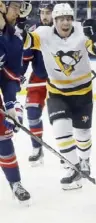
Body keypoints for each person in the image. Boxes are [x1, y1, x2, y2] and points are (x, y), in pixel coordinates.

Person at [23, 3, 96, 190]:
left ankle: (85, 161)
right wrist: (16, 24)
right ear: (54, 20)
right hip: (57, 92)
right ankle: (73, 167)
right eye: (61, 19)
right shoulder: (43, 33)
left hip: (83, 92)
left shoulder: (81, 30)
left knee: (82, 133)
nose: (65, 22)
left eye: (68, 18)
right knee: (60, 129)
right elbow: (24, 41)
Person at [0, 0, 32, 203]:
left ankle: (15, 183)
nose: (18, 10)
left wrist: (12, 105)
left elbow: (9, 76)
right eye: (15, 5)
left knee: (3, 137)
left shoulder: (14, 41)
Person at [22, 1, 54, 166]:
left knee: (64, 118)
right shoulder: (34, 32)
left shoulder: (62, 30)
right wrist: (19, 74)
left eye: (48, 12)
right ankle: (37, 148)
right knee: (32, 112)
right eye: (42, 12)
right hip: (39, 78)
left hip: (59, 80)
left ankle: (72, 153)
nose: (44, 16)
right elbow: (26, 58)